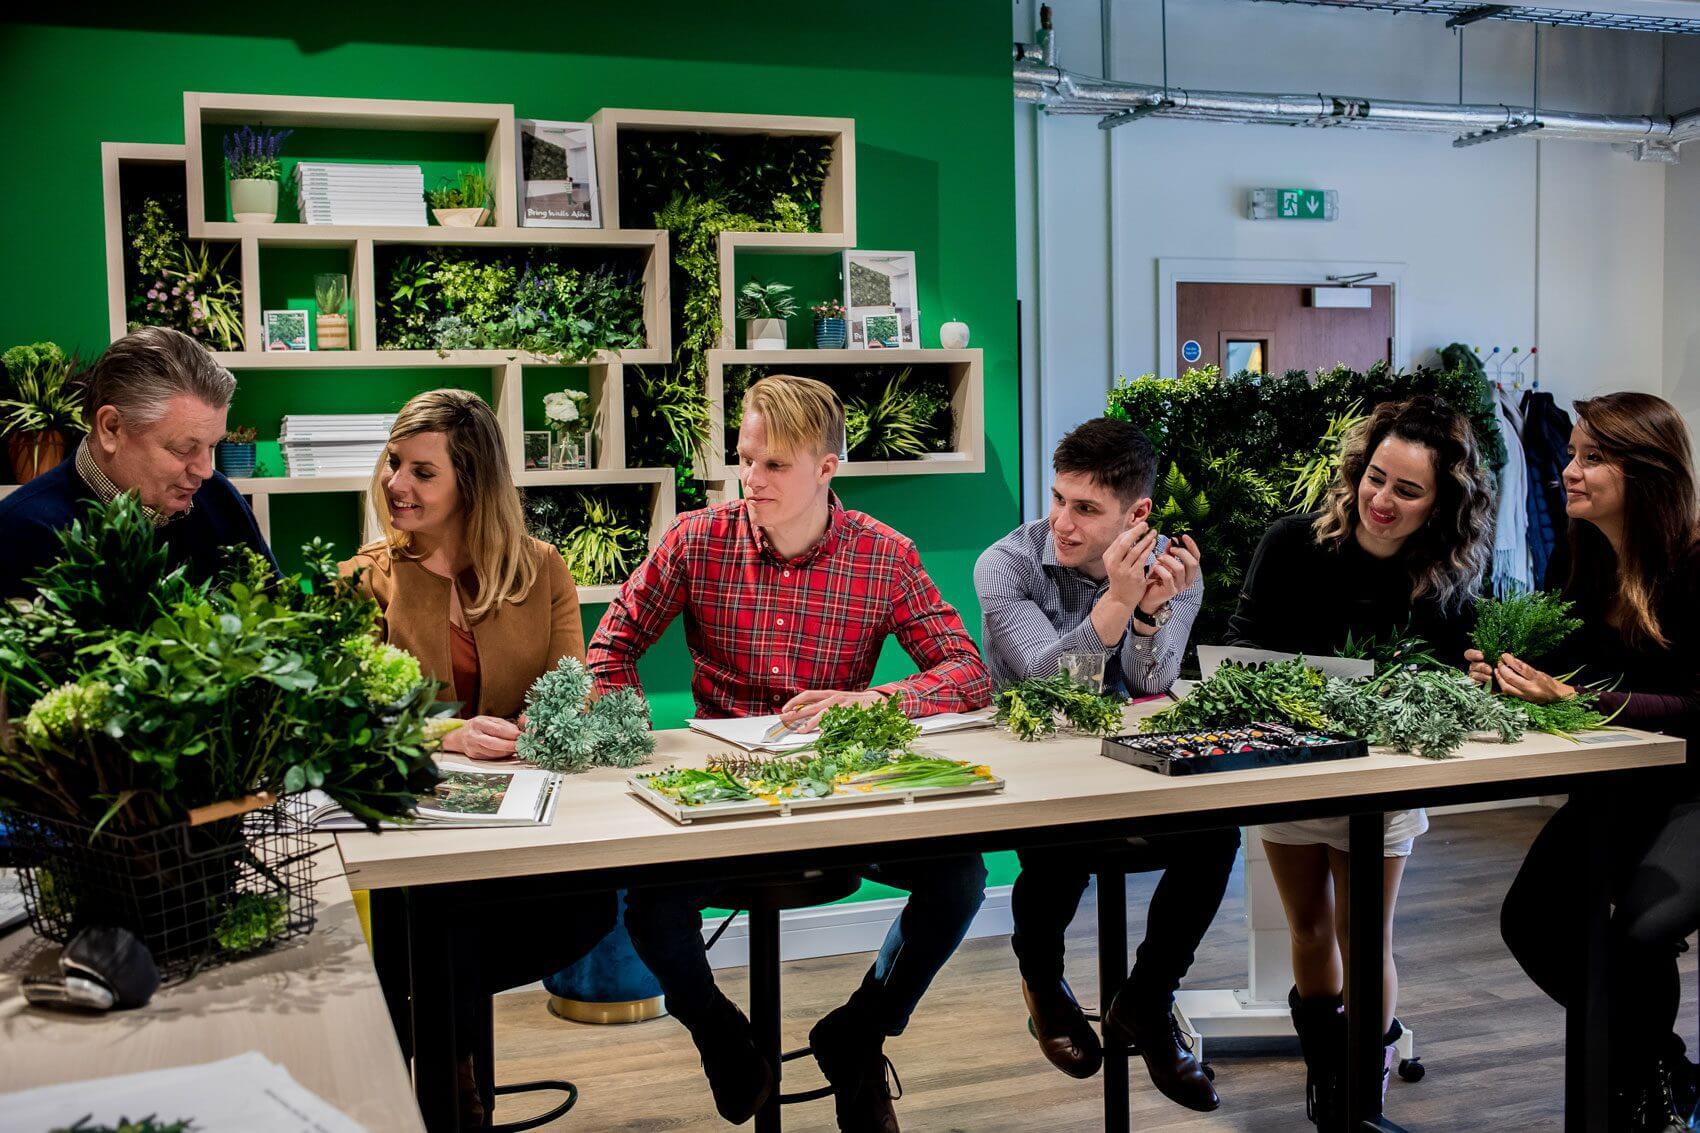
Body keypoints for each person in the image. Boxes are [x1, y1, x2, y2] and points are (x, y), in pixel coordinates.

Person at [588, 374, 992, 1132]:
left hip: (843, 793)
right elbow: (610, 647)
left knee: (960, 874)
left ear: (826, 468)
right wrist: (630, 738)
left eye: (774, 465)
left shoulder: (883, 556)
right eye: (746, 459)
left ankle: (860, 1031)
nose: (751, 479)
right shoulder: (696, 539)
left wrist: (875, 701)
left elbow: (966, 672)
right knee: (648, 896)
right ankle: (712, 1025)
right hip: (724, 796)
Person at [339, 389, 612, 1127]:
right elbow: (344, 717)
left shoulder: (542, 568)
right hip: (416, 831)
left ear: (473, 481)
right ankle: (452, 1089)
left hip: (524, 826)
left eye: (422, 472)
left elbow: (572, 686)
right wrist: (443, 735)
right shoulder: (364, 577)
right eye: (395, 463)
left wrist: (538, 722)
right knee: (437, 915)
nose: (397, 483)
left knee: (590, 903)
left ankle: (445, 1069)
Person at [1227, 395, 1494, 1127]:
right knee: (1309, 929)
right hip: (1293, 772)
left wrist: (1476, 679)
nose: (1382, 499)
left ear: (1441, 503)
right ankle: (1329, 1086)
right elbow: (1242, 646)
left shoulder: (1447, 581)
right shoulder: (1291, 543)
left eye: (1408, 490)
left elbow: (1458, 680)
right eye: (1377, 477)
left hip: (1384, 785)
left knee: (1366, 935)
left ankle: (1363, 1096)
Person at [974, 416, 1236, 1112]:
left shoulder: (1176, 569)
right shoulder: (1006, 565)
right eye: (1059, 498)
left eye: (1086, 508)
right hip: (1042, 766)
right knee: (1057, 858)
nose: (1063, 520)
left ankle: (1148, 1000)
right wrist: (1119, 601)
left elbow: (1152, 684)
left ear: (1137, 512)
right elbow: (1048, 686)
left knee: (1218, 834)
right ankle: (1044, 984)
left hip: (1133, 770)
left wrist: (1149, 616)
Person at [1475, 392, 1700, 1132]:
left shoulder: (1695, 565)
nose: (1567, 471)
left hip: (1691, 791)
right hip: (1621, 789)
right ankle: (1657, 1062)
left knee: (1639, 931)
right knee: (1531, 921)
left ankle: (1632, 1087)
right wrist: (1509, 671)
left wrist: (1579, 696)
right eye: (1572, 453)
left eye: (1590, 457)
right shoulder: (1584, 556)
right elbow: (1565, 665)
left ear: (1648, 472)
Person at [0, 326, 276, 598]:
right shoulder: (21, 532)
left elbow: (279, 613)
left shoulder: (219, 497)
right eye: (183, 449)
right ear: (111, 428)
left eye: (212, 446)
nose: (205, 471)